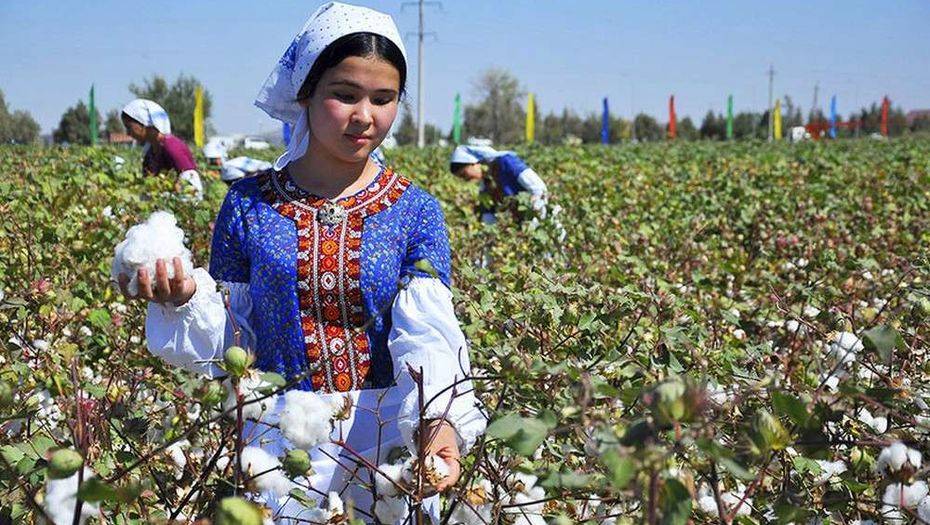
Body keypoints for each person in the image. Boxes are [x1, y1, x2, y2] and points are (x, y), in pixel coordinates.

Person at [117, 2, 485, 522]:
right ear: (305, 92)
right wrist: (186, 300)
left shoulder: (414, 209)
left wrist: (437, 419)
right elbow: (238, 339)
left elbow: (427, 333)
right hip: (280, 441)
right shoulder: (247, 204)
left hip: (386, 443)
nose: (365, 116)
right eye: (345, 95)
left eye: (383, 99)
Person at [121, 99, 204, 200]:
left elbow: (193, 188)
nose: (128, 133)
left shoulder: (172, 147)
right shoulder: (149, 152)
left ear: (144, 123)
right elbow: (148, 186)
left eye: (129, 127)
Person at [449, 144, 549, 224]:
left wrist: (534, 220)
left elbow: (539, 189)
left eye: (464, 174)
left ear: (475, 162)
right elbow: (488, 212)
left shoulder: (507, 162)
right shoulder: (486, 183)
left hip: (542, 221)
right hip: (521, 226)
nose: (466, 179)